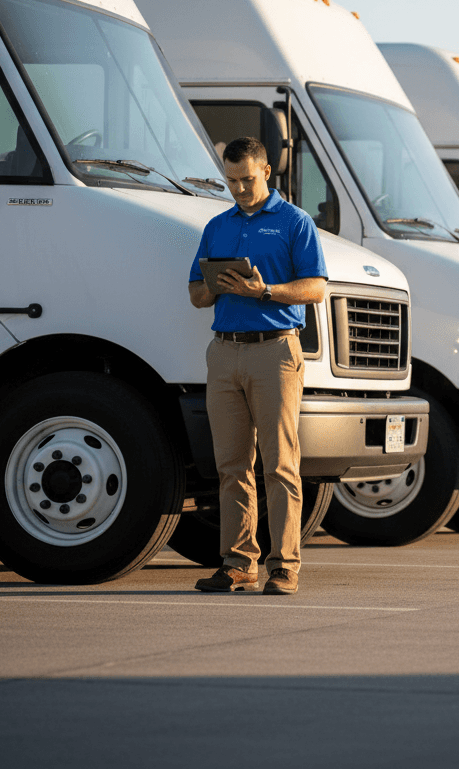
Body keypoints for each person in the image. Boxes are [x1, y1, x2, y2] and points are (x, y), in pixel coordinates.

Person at [188, 137, 327, 594]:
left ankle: (284, 566)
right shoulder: (216, 225)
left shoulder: (295, 222)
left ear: (267, 172)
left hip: (276, 351)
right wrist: (221, 285)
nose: (240, 189)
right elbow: (196, 295)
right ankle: (237, 562)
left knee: (280, 463)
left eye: (247, 179)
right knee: (231, 465)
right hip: (224, 351)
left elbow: (315, 289)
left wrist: (265, 292)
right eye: (231, 181)